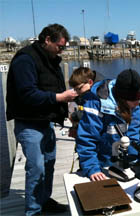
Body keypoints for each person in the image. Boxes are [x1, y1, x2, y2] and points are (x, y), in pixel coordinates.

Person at [6, 23, 77, 216]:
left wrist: (67, 112)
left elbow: (52, 87)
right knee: (36, 167)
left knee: (49, 163)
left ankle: (44, 201)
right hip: (28, 124)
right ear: (47, 40)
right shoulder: (26, 59)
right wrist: (61, 98)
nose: (61, 50)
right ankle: (33, 211)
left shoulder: (49, 59)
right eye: (60, 46)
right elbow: (27, 94)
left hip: (45, 121)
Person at [76, 69, 140, 181]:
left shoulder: (135, 103)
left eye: (139, 99)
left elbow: (133, 135)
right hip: (100, 164)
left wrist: (134, 161)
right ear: (122, 98)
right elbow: (87, 138)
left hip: (123, 165)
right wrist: (92, 168)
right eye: (133, 100)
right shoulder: (95, 103)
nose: (137, 104)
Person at [68, 67, 104, 138]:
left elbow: (92, 114)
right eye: (75, 90)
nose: (77, 92)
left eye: (79, 89)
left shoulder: (101, 93)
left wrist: (75, 117)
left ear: (90, 82)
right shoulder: (88, 91)